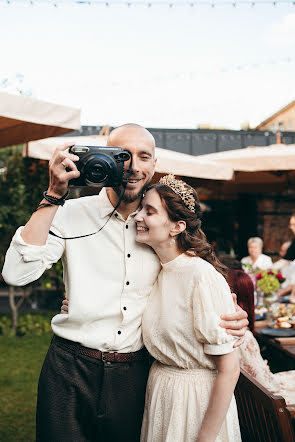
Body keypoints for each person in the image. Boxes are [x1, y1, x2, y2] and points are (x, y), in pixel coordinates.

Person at [2, 124, 248, 442]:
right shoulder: (69, 212)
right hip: (69, 369)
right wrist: (53, 196)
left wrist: (227, 308)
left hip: (135, 375)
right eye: (123, 155)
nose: (133, 166)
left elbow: (189, 276)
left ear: (154, 166)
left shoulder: (158, 226)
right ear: (106, 158)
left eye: (143, 156)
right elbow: (16, 273)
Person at [134, 175, 241, 442]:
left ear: (177, 226)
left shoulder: (200, 275)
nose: (137, 216)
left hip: (195, 401)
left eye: (149, 211)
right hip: (162, 393)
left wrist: (204, 438)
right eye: (140, 209)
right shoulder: (159, 269)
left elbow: (230, 368)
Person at [227, 269, 295, 406]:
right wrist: (264, 369)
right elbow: (271, 388)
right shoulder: (243, 336)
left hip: (251, 398)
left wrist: (261, 367)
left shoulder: (226, 330)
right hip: (268, 405)